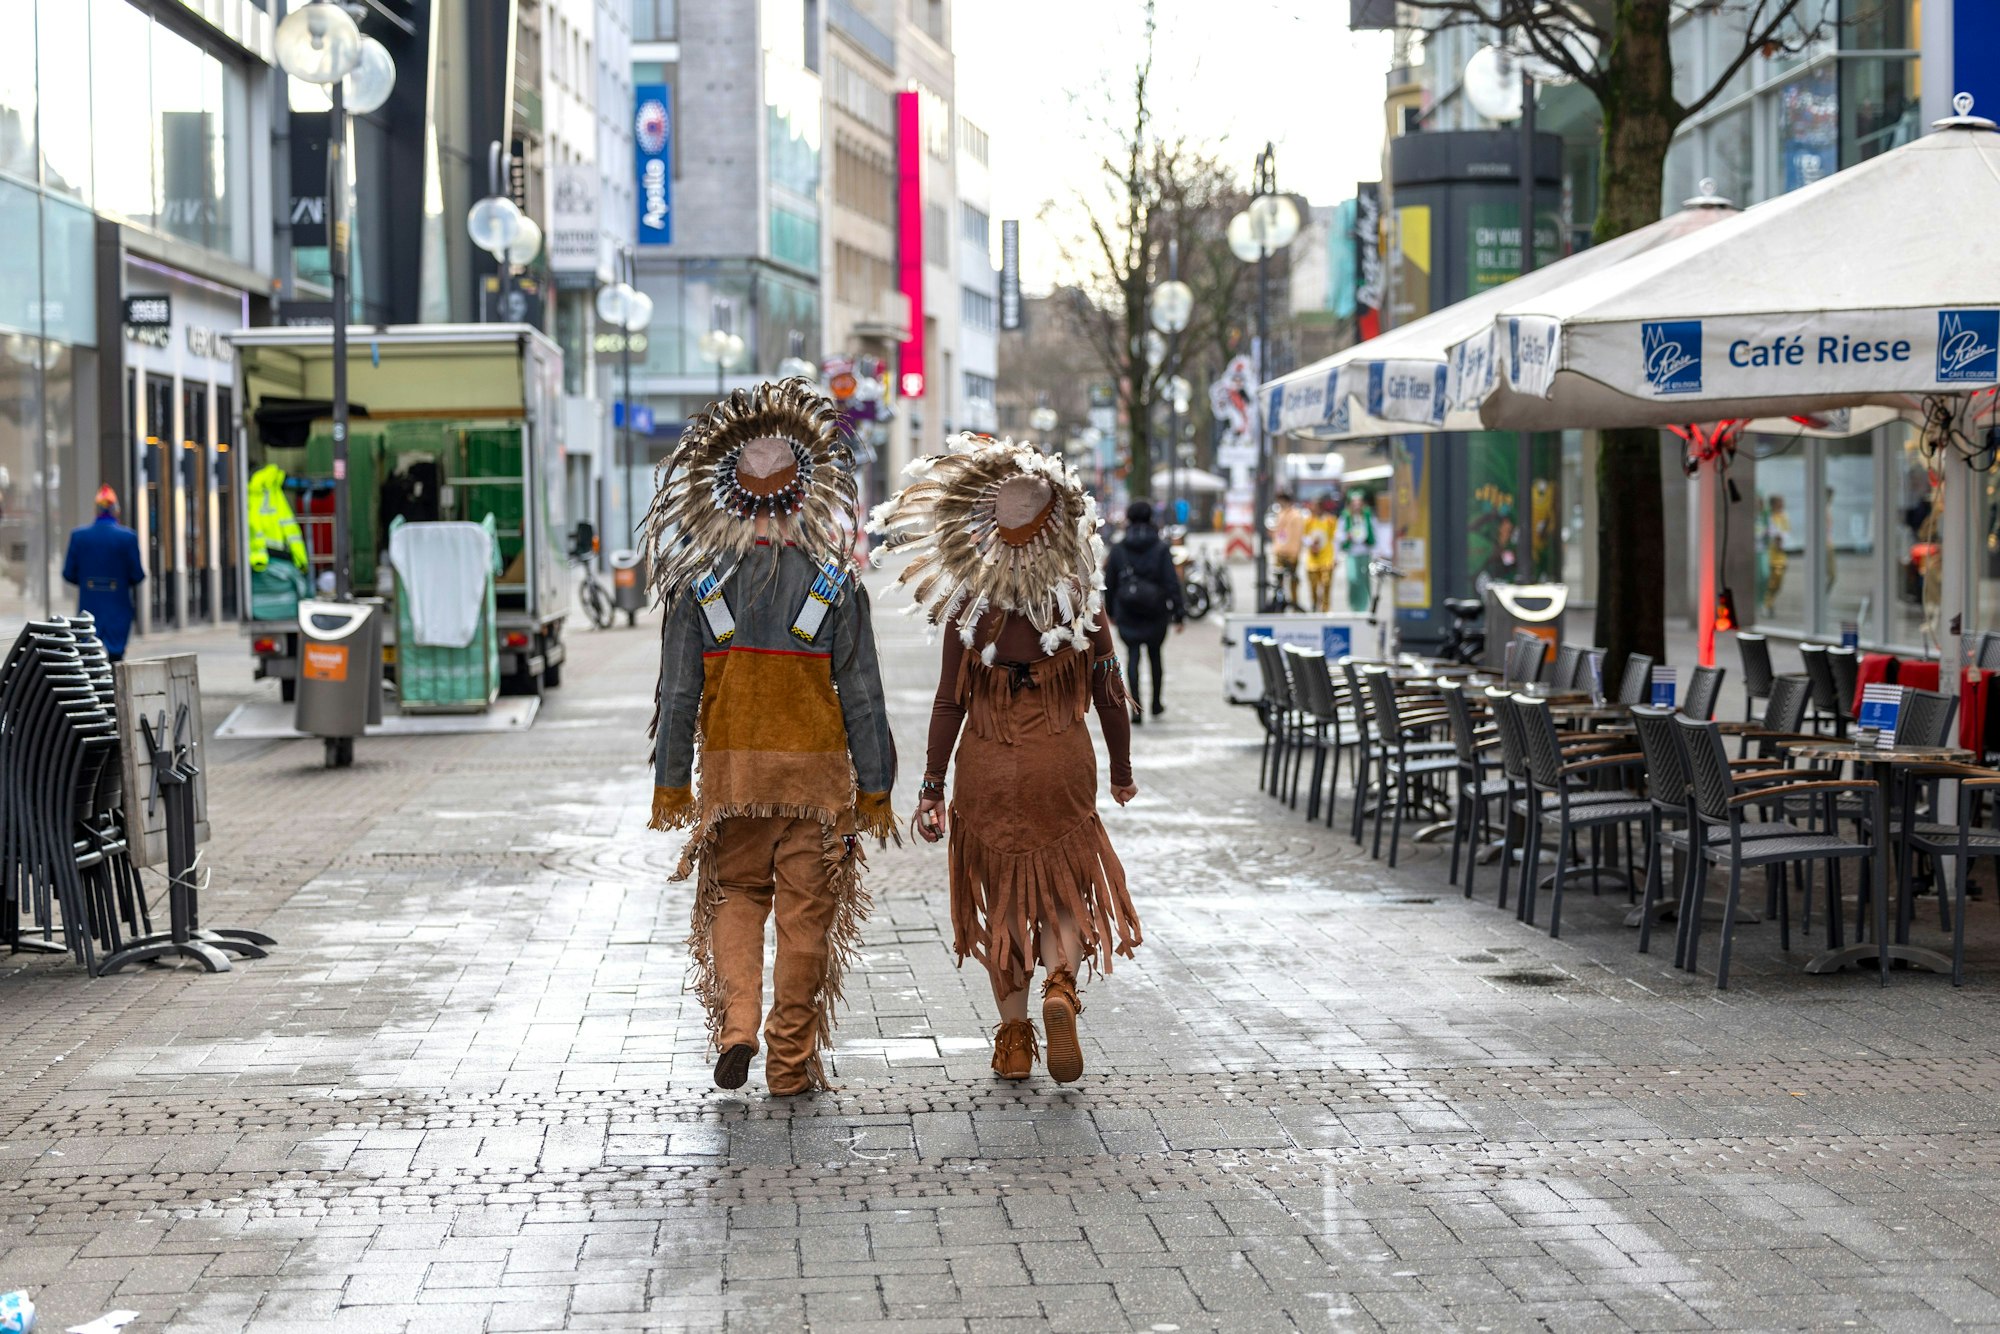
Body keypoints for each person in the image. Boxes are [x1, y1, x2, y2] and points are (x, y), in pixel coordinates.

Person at [646, 379, 897, 1097]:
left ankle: (738, 1026)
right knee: (805, 921)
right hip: (815, 789)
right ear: (807, 489)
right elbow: (863, 695)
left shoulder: (699, 588)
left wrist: (672, 786)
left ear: (724, 490)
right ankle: (789, 1063)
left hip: (732, 786)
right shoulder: (834, 586)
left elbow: (677, 697)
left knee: (735, 900)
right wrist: (875, 790)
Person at [871, 436, 1141, 1084]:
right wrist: (1123, 770)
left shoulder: (968, 597)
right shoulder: (1078, 594)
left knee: (1003, 902)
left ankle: (1015, 1038)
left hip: (986, 766)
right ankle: (1061, 986)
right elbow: (1110, 691)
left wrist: (932, 786)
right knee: (1065, 894)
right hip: (1061, 762)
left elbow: (947, 702)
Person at [1103, 500, 1185, 724]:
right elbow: (1171, 582)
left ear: (1128, 519)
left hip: (1127, 610)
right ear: (1151, 519)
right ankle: (1156, 704)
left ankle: (1136, 709)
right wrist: (1178, 613)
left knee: (1132, 656)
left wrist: (1110, 611)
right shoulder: (1160, 548)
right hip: (1156, 610)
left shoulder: (1119, 549)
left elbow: (1109, 583)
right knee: (1155, 655)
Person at [62, 486, 145, 661]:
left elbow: (68, 573)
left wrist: (87, 583)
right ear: (116, 510)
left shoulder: (79, 536)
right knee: (116, 658)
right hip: (118, 605)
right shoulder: (128, 537)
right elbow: (137, 574)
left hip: (89, 605)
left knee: (88, 656)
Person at [1338, 490, 1376, 613]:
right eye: (1354, 503)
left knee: (1365, 579)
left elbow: (1375, 532)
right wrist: (1346, 536)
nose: (1357, 506)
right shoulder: (1346, 517)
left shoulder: (1368, 516)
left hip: (1365, 551)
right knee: (1353, 578)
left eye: (1359, 503)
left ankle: (1365, 606)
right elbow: (1338, 535)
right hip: (1352, 552)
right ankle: (1355, 605)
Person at [1270, 492, 1307, 607]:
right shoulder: (1280, 514)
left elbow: (1297, 535)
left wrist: (1295, 552)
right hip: (1280, 551)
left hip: (1291, 552)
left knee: (1293, 579)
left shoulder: (1295, 515)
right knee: (1279, 579)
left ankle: (1294, 602)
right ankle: (1280, 603)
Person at [1303, 496, 1338, 613]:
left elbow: (1335, 539)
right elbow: (1303, 536)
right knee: (1313, 585)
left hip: (1326, 558)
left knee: (1326, 584)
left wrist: (1335, 557)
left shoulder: (1330, 520)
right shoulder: (1309, 521)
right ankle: (1314, 605)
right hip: (1313, 560)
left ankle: (1325, 609)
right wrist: (1311, 543)